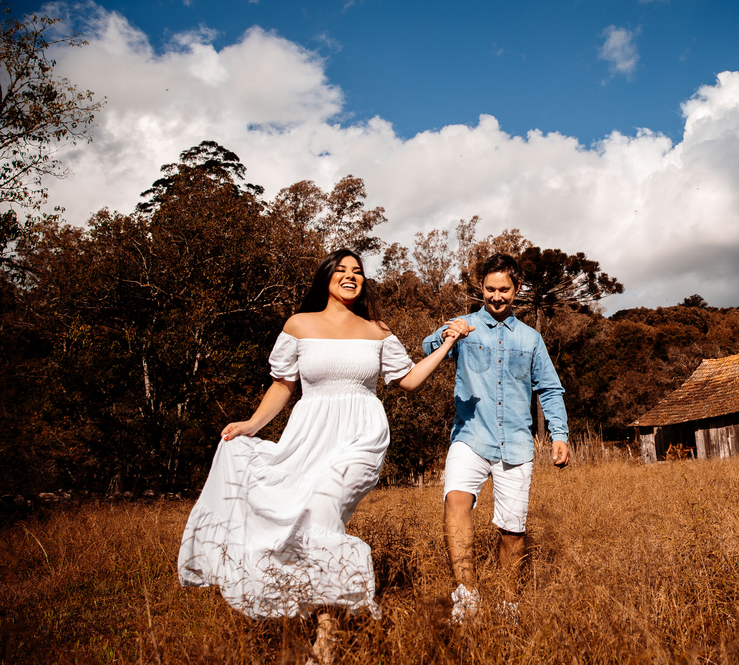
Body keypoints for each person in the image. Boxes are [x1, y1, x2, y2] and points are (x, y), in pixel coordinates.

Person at [177, 249, 470, 623]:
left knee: (322, 509)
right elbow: (283, 384)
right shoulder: (299, 325)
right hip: (310, 435)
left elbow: (408, 380)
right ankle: (323, 617)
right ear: (326, 278)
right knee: (306, 518)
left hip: (363, 434)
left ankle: (330, 622)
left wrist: (447, 344)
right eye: (341, 270)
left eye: (357, 271)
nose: (351, 276)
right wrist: (252, 424)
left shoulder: (377, 330)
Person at [422, 252, 570, 623]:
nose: (497, 296)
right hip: (470, 435)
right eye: (490, 289)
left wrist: (559, 434)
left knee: (512, 529)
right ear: (481, 288)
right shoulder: (465, 326)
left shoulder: (531, 339)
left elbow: (550, 389)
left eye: (504, 289)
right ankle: (467, 597)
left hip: (516, 443)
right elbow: (427, 348)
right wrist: (447, 334)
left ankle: (508, 606)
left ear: (517, 288)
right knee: (456, 501)